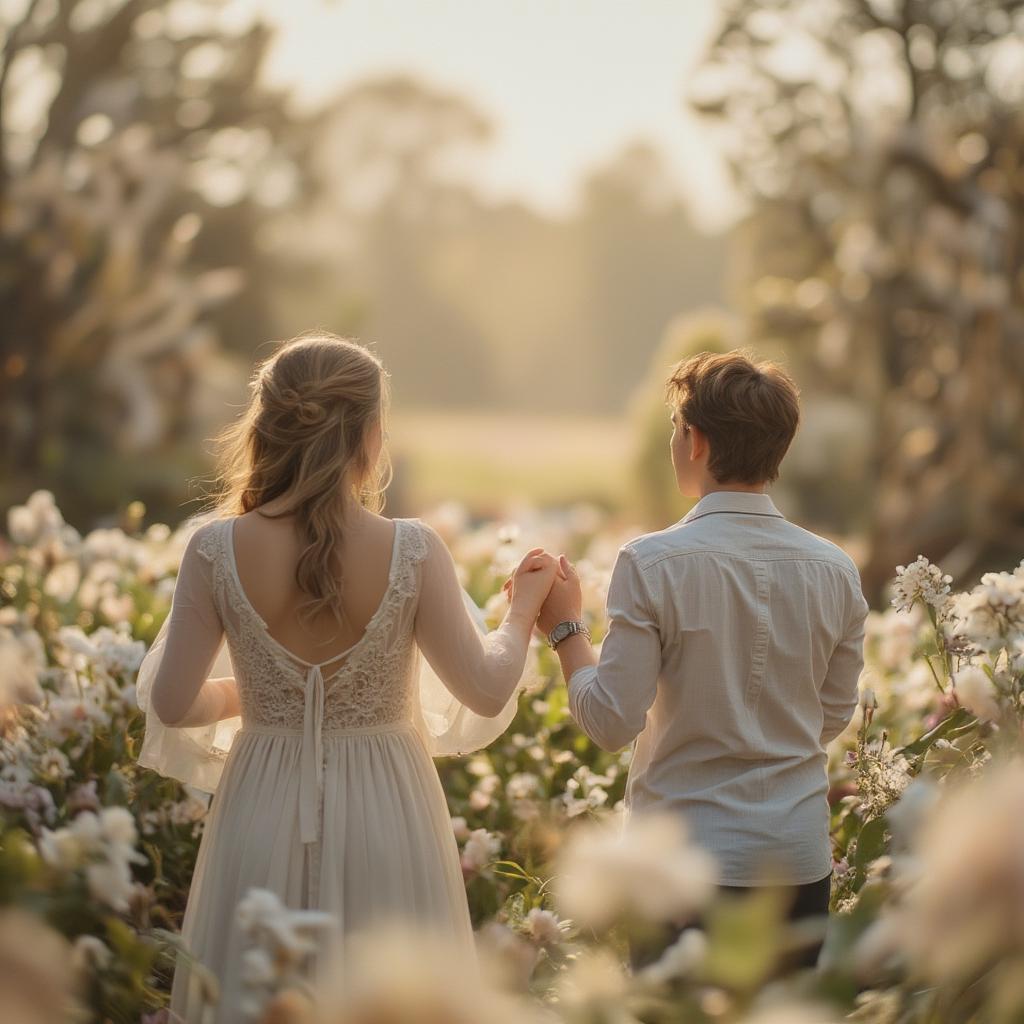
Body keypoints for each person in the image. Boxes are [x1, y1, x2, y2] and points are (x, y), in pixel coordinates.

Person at [135, 334, 559, 1023]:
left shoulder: (215, 549)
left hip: (262, 801)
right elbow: (484, 688)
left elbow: (173, 701)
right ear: (367, 436)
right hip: (387, 806)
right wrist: (522, 613)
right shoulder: (413, 549)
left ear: (267, 430)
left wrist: (254, 696)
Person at [537, 350, 869, 970]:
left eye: (675, 428)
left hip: (681, 867)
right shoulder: (835, 569)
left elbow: (610, 722)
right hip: (794, 863)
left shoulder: (652, 563)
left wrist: (564, 629)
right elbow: (829, 716)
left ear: (695, 440)